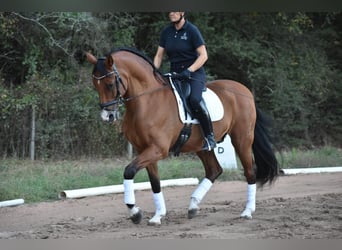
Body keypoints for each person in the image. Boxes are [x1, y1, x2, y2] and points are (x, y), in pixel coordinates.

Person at [153, 12, 216, 151]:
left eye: (175, 11)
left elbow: (204, 55)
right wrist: (154, 71)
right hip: (175, 74)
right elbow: (158, 55)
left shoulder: (192, 30)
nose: (171, 13)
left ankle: (210, 137)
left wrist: (190, 70)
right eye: (169, 11)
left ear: (183, 12)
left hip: (194, 74)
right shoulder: (166, 32)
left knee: (194, 100)